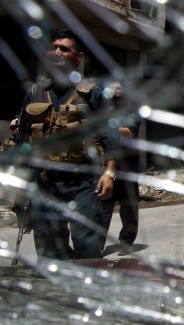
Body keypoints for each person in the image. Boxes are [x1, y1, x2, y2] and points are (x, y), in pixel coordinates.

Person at [16, 28, 118, 260]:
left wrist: (109, 173)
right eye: (53, 47)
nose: (56, 52)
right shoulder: (36, 92)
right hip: (45, 183)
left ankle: (87, 293)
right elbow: (22, 137)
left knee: (87, 247)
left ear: (78, 57)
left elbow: (110, 136)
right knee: (50, 249)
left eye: (64, 48)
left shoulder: (92, 93)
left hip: (82, 182)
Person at [100, 82, 142, 255]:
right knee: (103, 205)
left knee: (128, 206)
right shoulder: (104, 109)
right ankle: (96, 244)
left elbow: (129, 131)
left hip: (128, 164)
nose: (115, 90)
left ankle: (126, 242)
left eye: (119, 87)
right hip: (108, 163)